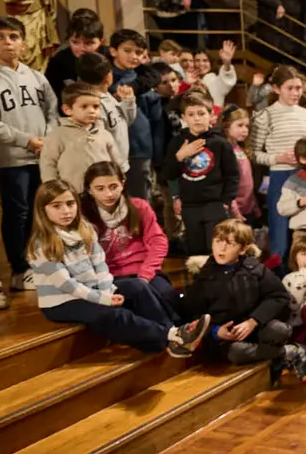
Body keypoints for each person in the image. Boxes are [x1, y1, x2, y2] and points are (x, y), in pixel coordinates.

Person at [29, 179, 208, 357]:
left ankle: (175, 331)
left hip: (92, 290)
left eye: (70, 203)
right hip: (62, 301)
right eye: (56, 206)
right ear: (43, 210)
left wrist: (107, 290)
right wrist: (102, 298)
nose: (66, 211)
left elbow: (100, 265)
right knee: (110, 314)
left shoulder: (85, 230)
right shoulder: (42, 245)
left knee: (137, 287)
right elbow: (67, 285)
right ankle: (172, 336)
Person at [0, 15, 58, 291]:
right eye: (0, 37)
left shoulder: (36, 77)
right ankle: (19, 269)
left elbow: (53, 111)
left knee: (37, 212)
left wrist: (48, 138)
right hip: (11, 159)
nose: (8, 42)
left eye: (14, 36)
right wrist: (26, 140)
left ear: (23, 41)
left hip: (40, 156)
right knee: (16, 213)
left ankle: (38, 263)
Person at [179, 220, 303, 369]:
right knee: (236, 353)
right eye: (218, 241)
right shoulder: (205, 276)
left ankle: (274, 354)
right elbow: (192, 313)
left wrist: (253, 321)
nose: (222, 248)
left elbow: (279, 296)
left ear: (242, 249)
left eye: (230, 244)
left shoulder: (255, 269)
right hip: (227, 338)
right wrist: (216, 331)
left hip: (255, 327)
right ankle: (283, 353)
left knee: (279, 330)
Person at [81, 161, 180, 319]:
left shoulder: (139, 206)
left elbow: (158, 242)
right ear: (89, 190)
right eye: (100, 188)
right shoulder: (83, 215)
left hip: (142, 271)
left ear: (122, 184)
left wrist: (145, 275)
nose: (108, 194)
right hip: (108, 277)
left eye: (113, 186)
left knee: (168, 295)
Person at [250, 65, 306, 264]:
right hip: (280, 176)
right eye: (289, 88)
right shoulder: (266, 115)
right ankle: (280, 279)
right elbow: (255, 154)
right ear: (276, 88)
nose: (295, 92)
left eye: (298, 88)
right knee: (279, 232)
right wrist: (277, 158)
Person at [161, 91, 240, 257]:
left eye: (201, 113)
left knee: (216, 248)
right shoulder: (177, 142)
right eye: (191, 114)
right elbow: (168, 173)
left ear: (211, 115)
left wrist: (226, 201)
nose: (196, 118)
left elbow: (232, 174)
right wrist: (180, 156)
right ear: (183, 117)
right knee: (195, 250)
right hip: (190, 205)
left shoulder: (219, 142)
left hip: (215, 203)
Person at [106, 29, 160, 201]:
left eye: (138, 52)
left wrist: (157, 153)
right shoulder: (103, 78)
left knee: (140, 200)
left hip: (139, 148)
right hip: (109, 149)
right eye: (127, 51)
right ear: (113, 51)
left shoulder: (144, 80)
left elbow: (156, 120)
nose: (133, 56)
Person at [40, 82, 120, 190]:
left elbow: (116, 163)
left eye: (96, 107)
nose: (92, 111)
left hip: (101, 193)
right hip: (72, 193)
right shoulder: (58, 135)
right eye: (84, 107)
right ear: (67, 110)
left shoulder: (105, 134)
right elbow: (48, 164)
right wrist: (53, 188)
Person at [74, 52, 133, 176]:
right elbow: (96, 142)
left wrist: (128, 102)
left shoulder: (107, 96)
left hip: (118, 166)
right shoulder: (90, 103)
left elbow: (125, 123)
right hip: (105, 170)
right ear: (108, 76)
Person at [46, 12, 103, 106]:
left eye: (88, 43)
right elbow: (51, 96)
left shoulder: (107, 57)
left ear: (101, 41)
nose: (81, 48)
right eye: (75, 42)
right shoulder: (58, 62)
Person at [220, 106, 258, 222]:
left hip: (248, 208)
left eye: (247, 126)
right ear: (226, 127)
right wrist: (235, 211)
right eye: (240, 125)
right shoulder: (226, 150)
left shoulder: (240, 149)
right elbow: (227, 185)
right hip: (233, 210)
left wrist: (254, 206)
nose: (245, 130)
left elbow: (248, 181)